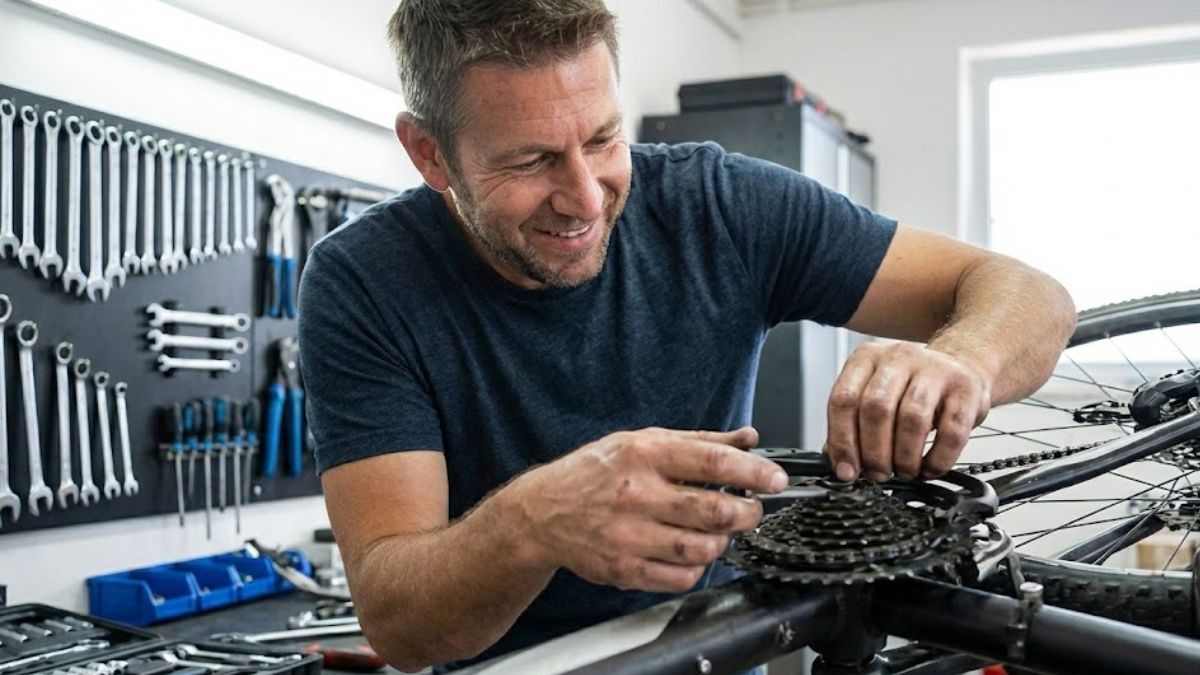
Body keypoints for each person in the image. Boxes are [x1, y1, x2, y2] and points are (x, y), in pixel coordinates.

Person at [297, 0, 1076, 671]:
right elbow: (399, 622)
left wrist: (959, 360)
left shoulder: (720, 206)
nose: (584, 196)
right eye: (532, 160)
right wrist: (533, 520)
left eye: (603, 138)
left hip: (716, 650)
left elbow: (1033, 298)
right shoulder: (363, 282)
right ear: (430, 152)